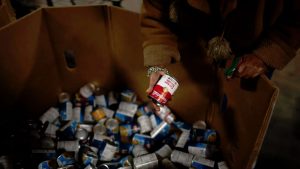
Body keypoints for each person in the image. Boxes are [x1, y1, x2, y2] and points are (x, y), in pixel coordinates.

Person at [140, 0, 300, 100]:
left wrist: (265, 55)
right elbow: (155, 15)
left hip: (251, 51)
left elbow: (294, 22)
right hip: (192, 41)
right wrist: (157, 65)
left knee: (245, 112)